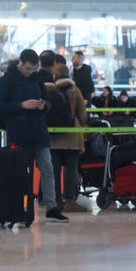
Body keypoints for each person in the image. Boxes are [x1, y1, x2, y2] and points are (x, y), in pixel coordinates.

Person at [0, 50, 68, 223]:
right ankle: (18, 207)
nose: (30, 72)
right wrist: (21, 105)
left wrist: (44, 105)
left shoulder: (37, 79)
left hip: (38, 132)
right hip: (18, 133)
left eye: (33, 69)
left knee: (47, 169)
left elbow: (48, 100)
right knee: (19, 173)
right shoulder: (7, 80)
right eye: (27, 68)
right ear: (20, 62)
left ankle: (51, 207)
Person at [48, 63, 89, 213]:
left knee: (55, 170)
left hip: (53, 137)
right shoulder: (74, 90)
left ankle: (56, 200)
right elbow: (83, 115)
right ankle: (70, 201)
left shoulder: (48, 90)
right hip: (72, 136)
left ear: (55, 75)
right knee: (71, 169)